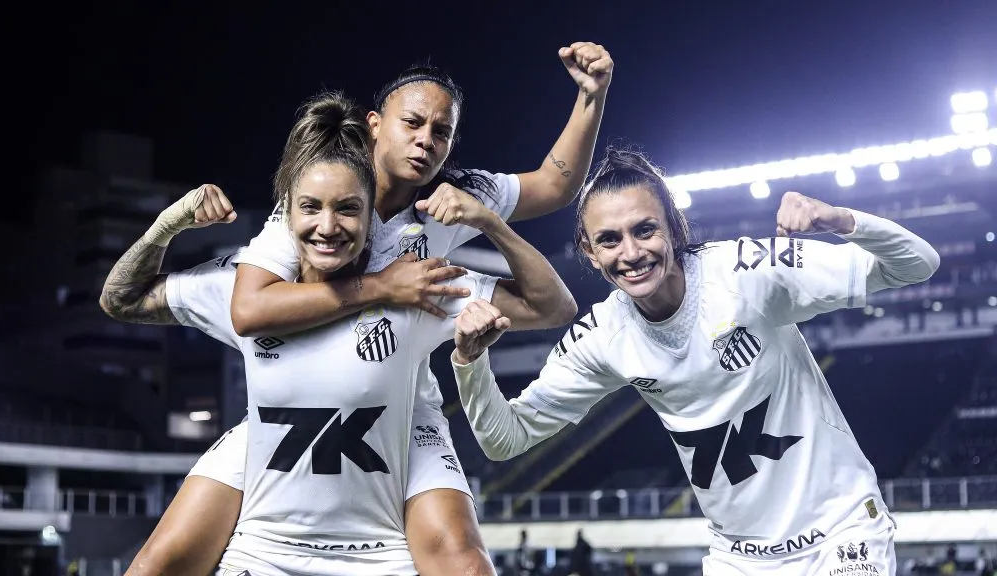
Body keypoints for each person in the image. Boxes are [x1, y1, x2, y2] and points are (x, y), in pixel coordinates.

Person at [115, 42, 613, 576]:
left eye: (440, 132)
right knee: (156, 565)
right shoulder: (315, 197)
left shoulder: (455, 200)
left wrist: (591, 96)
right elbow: (247, 310)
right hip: (288, 411)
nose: (425, 140)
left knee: (466, 564)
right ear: (375, 125)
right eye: (412, 123)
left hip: (400, 402)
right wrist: (381, 286)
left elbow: (556, 187)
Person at [448, 147, 941, 576]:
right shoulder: (602, 339)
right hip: (738, 558)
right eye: (610, 239)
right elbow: (504, 439)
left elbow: (917, 263)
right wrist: (470, 362)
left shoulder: (746, 273)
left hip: (839, 535)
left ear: (675, 227)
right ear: (589, 252)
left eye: (645, 230)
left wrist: (840, 220)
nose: (632, 253)